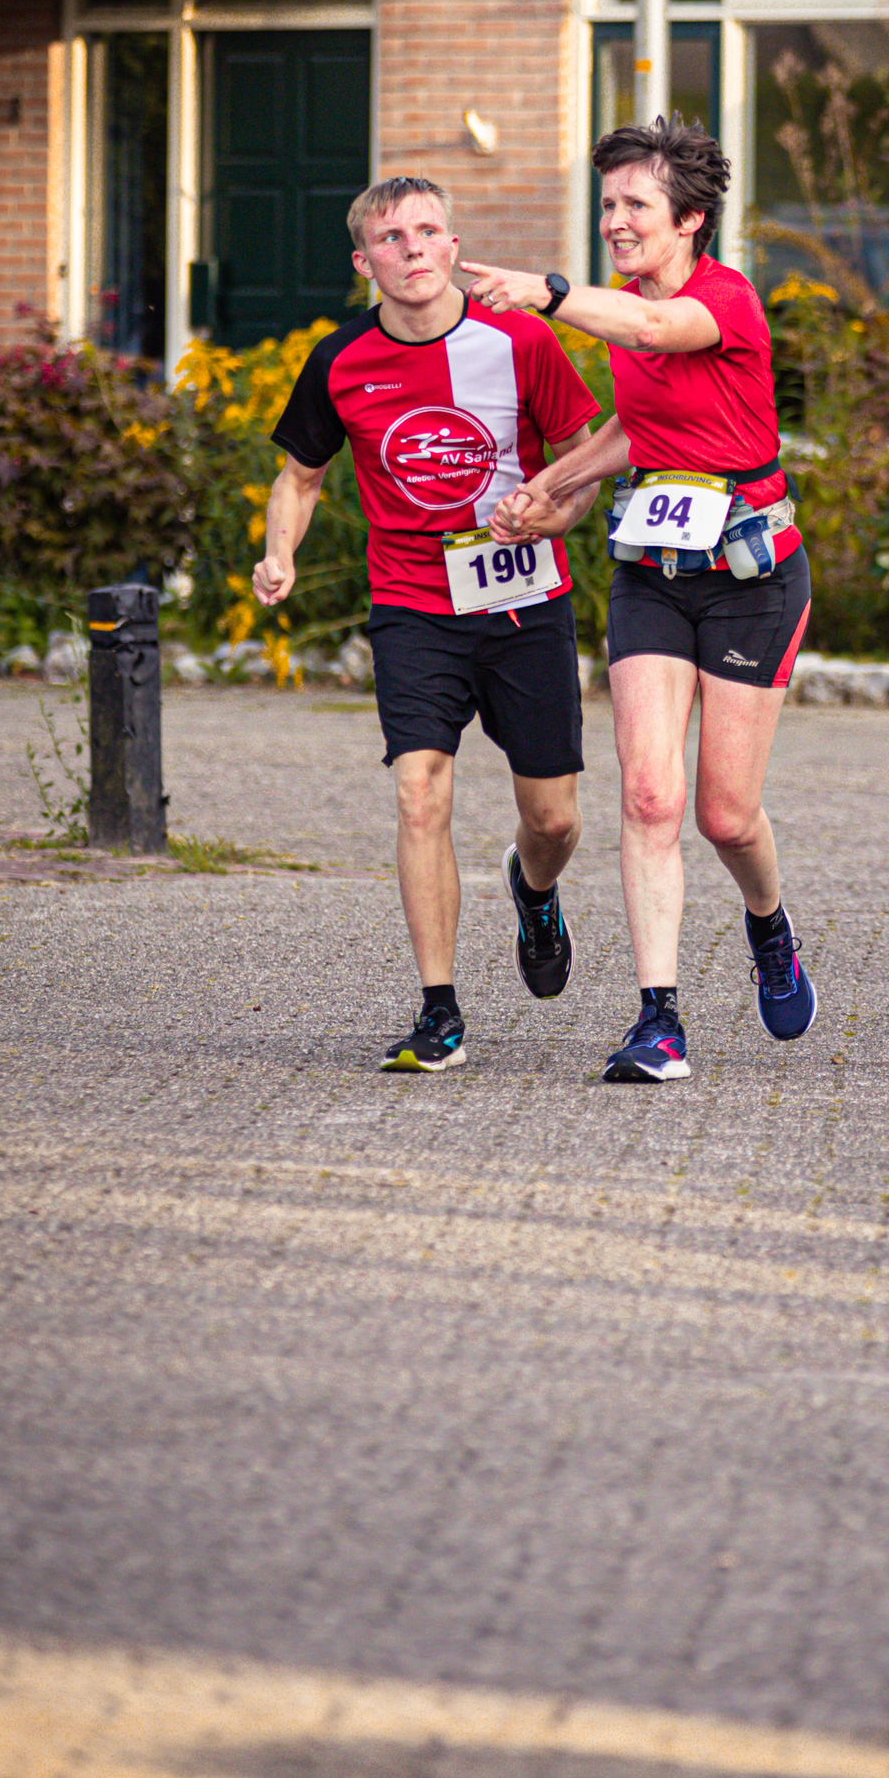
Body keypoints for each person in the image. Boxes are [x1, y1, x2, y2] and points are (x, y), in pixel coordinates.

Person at [466, 116, 816, 1084]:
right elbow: (639, 417)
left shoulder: (723, 301)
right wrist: (559, 486)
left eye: (634, 206)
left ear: (689, 220)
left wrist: (542, 293)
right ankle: (657, 1019)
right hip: (652, 573)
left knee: (724, 815)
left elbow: (663, 333)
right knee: (651, 794)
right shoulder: (622, 305)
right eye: (608, 203)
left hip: (750, 580)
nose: (614, 221)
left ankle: (768, 927)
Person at [252, 176, 600, 1072]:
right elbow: (300, 476)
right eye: (390, 237)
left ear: (452, 246)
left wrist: (555, 515)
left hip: (523, 598)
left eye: (427, 231)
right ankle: (439, 1010)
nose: (411, 249)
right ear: (363, 262)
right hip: (413, 601)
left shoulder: (521, 340)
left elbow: (584, 461)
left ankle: (532, 891)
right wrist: (280, 552)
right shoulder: (339, 361)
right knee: (420, 793)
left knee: (554, 819)